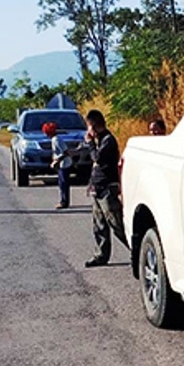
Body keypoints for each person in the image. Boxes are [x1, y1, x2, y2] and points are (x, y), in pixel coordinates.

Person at [75, 109, 127, 267]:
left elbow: (97, 158)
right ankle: (101, 255)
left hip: (107, 188)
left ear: (95, 126)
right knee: (99, 224)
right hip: (97, 188)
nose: (88, 131)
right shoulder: (99, 141)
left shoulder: (108, 141)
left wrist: (90, 144)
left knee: (116, 224)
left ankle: (137, 251)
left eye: (89, 127)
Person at [44, 121, 72, 209]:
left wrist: (56, 161)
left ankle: (64, 202)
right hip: (61, 164)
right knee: (61, 183)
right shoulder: (55, 139)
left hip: (64, 164)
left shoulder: (56, 140)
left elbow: (66, 152)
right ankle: (63, 200)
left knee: (64, 183)